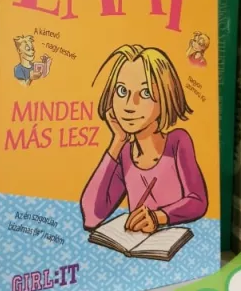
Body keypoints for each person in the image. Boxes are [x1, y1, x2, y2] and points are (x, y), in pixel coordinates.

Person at [80, 44, 208, 233]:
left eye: (146, 93)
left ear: (166, 96)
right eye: (122, 91)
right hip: (137, 245)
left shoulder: (177, 141)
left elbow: (197, 201)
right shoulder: (125, 153)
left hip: (179, 243)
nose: (130, 105)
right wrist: (117, 141)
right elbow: (91, 217)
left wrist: (158, 217)